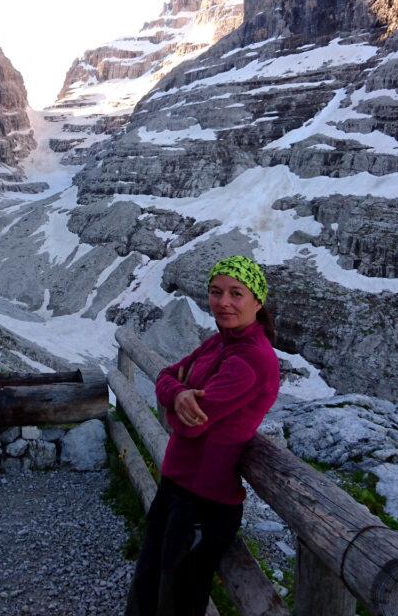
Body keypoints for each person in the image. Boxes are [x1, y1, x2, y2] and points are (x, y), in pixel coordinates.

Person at [125, 255, 280, 616]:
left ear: (258, 301)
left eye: (236, 293)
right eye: (216, 292)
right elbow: (167, 373)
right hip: (179, 489)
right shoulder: (221, 342)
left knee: (175, 601)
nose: (223, 302)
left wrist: (176, 396)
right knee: (151, 588)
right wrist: (177, 393)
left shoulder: (251, 359)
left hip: (202, 503)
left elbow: (186, 425)